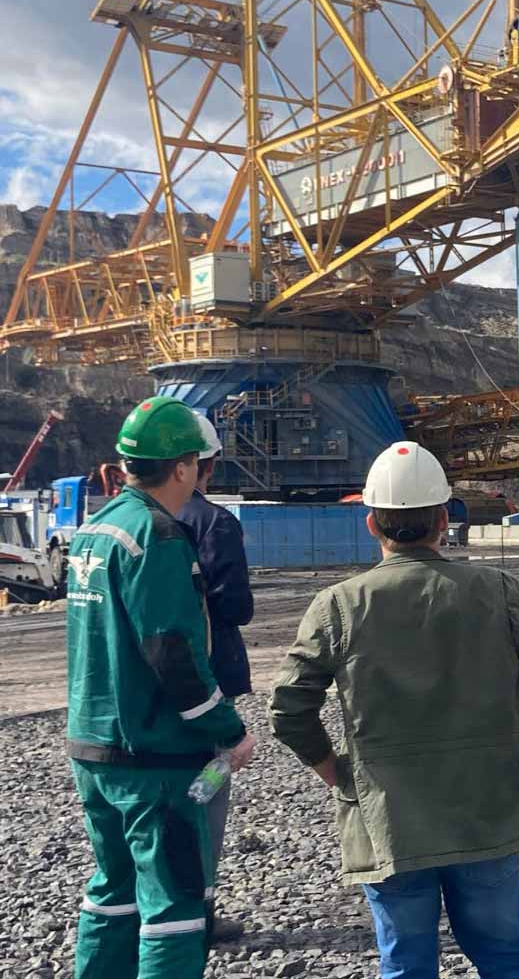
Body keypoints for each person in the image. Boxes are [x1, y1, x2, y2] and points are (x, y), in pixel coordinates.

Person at [270, 441, 519, 979]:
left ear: (372, 523)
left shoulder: (339, 605)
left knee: (406, 962)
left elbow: (288, 708)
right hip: (486, 805)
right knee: (505, 956)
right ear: (444, 519)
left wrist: (336, 773)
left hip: (389, 815)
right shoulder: (497, 589)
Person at [65, 396, 257, 979]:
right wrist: (229, 730)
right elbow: (172, 652)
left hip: (92, 747)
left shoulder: (93, 531)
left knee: (112, 889)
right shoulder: (158, 537)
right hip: (153, 754)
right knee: (174, 903)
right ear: (183, 467)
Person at [174, 414, 255, 944]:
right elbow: (236, 607)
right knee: (207, 799)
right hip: (207, 683)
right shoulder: (216, 523)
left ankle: (151, 908)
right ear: (209, 463)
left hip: (145, 694)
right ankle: (197, 914)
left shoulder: (126, 522)